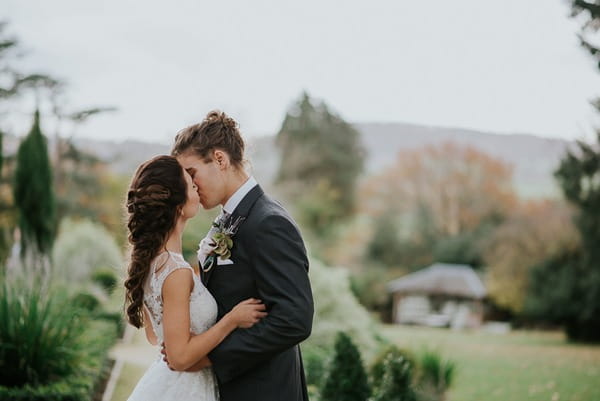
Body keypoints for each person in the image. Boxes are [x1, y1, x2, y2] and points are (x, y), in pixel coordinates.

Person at [167, 110, 314, 401]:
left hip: (264, 390)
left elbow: (294, 318)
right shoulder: (230, 219)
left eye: (192, 173)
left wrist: (210, 357)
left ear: (219, 159)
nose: (190, 186)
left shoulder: (269, 222)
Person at [123, 155, 267, 401]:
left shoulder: (151, 263)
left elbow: (155, 336)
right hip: (185, 389)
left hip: (168, 383)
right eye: (191, 184)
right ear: (178, 205)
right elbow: (179, 358)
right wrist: (231, 320)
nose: (197, 187)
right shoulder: (176, 271)